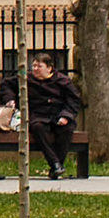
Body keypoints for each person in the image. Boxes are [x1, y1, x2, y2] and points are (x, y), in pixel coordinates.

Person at [27, 51, 83, 180]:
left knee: (66, 129)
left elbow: (73, 100)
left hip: (58, 115)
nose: (35, 69)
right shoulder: (27, 79)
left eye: (39, 66)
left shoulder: (63, 81)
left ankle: (57, 166)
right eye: (34, 66)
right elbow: (6, 84)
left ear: (49, 68)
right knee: (37, 128)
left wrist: (66, 116)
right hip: (38, 116)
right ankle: (55, 164)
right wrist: (10, 99)